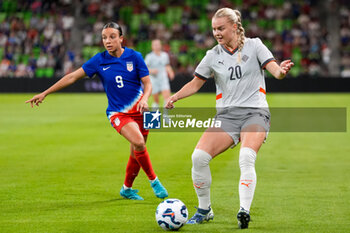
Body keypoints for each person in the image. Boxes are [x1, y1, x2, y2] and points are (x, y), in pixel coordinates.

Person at [165, 8, 293, 229]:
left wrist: (281, 71)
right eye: (214, 29)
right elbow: (195, 83)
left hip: (255, 112)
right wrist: (174, 97)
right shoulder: (212, 55)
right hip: (226, 116)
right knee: (198, 158)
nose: (217, 33)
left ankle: (244, 210)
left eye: (221, 28)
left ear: (234, 26)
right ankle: (205, 209)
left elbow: (274, 70)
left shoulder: (255, 45)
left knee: (246, 157)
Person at [26, 22, 168, 201]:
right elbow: (71, 77)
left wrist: (146, 98)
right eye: (104, 38)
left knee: (137, 151)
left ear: (121, 39)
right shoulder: (98, 61)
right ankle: (154, 181)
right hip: (118, 113)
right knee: (139, 142)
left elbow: (147, 83)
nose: (107, 41)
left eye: (112, 37)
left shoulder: (135, 56)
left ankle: (126, 189)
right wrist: (45, 93)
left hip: (141, 110)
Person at [145, 39, 175, 109]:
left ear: (160, 45)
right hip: (153, 80)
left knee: (167, 98)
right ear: (152, 47)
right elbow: (144, 69)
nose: (156, 46)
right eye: (155, 45)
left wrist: (170, 72)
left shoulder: (164, 55)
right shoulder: (149, 57)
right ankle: (154, 118)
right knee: (156, 101)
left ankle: (166, 117)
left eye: (158, 44)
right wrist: (152, 71)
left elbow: (167, 65)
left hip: (163, 78)